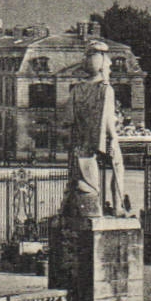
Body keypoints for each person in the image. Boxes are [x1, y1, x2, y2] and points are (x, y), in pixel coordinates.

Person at [61, 40, 127, 218]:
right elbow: (106, 118)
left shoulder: (77, 89)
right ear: (103, 65)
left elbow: (68, 119)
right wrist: (113, 138)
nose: (111, 66)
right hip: (100, 137)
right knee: (118, 166)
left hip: (82, 141)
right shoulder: (105, 89)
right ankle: (118, 206)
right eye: (108, 62)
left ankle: (86, 205)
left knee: (82, 174)